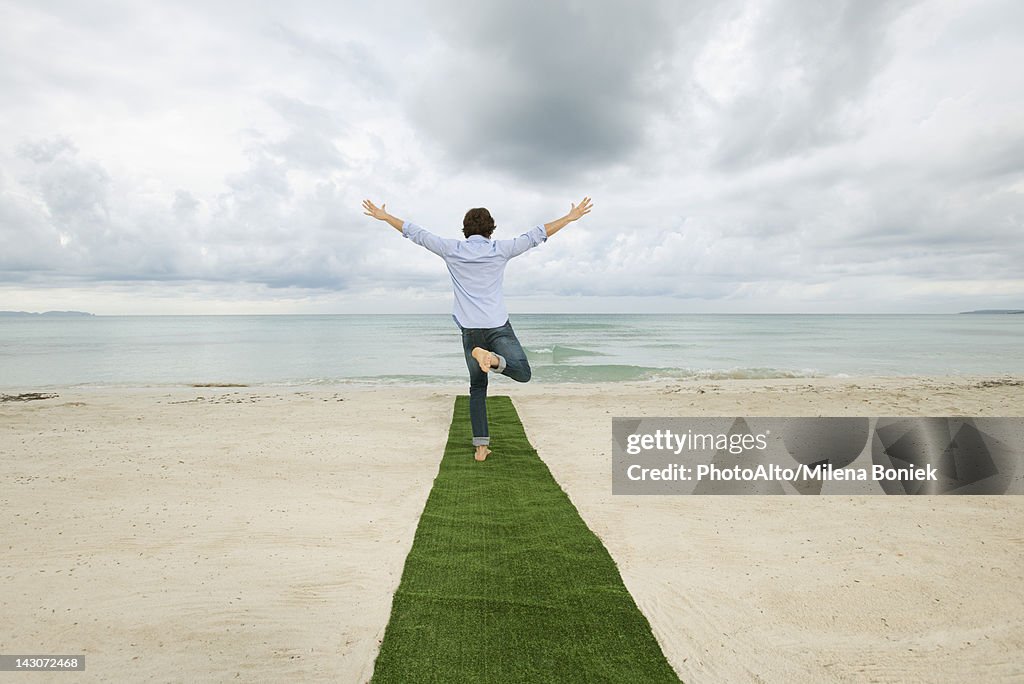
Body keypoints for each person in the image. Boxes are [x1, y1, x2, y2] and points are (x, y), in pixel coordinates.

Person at [361, 197, 593, 461]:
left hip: (471, 331)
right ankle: (493, 359)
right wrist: (569, 217)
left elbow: (416, 233)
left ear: (465, 229)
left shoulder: (451, 249)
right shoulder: (500, 249)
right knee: (523, 372)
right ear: (490, 229)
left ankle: (481, 447)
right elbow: (536, 235)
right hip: (497, 325)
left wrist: (385, 217)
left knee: (477, 388)